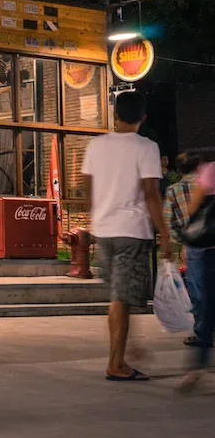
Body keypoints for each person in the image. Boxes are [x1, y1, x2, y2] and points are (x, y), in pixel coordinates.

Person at [81, 91, 171, 382]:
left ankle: (125, 351)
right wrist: (165, 234)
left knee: (118, 298)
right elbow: (151, 193)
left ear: (115, 116)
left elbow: (88, 188)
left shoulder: (97, 145)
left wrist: (98, 215)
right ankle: (116, 364)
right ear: (143, 118)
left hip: (104, 232)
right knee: (121, 299)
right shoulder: (146, 147)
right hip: (131, 232)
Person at [177, 158, 215, 393]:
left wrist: (186, 240)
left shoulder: (211, 169)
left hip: (206, 248)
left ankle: (196, 367)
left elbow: (194, 208)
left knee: (206, 304)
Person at [165, 153, 203, 347]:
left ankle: (203, 332)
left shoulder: (174, 190)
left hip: (194, 245)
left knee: (197, 289)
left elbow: (168, 222)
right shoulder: (208, 185)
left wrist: (182, 241)